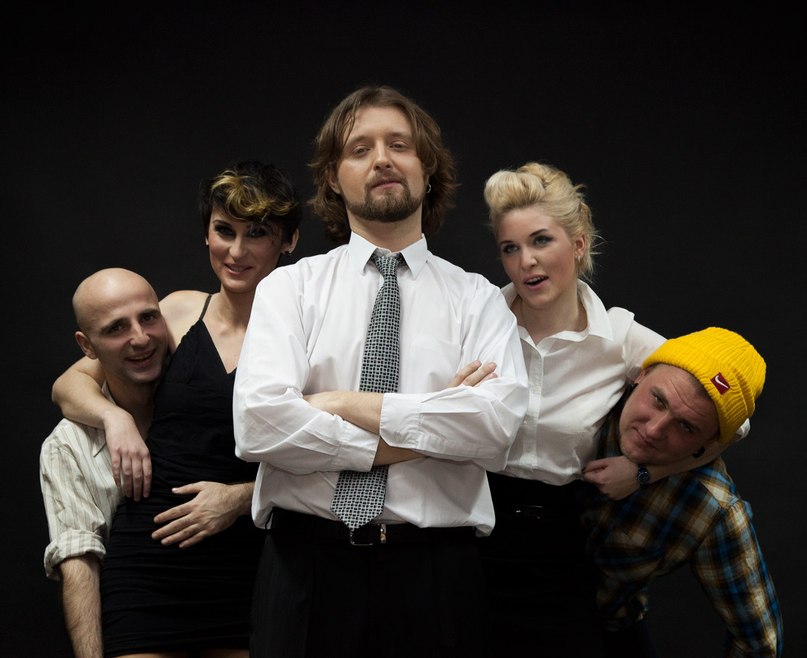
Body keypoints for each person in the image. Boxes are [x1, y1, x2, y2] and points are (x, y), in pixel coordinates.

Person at [232, 85, 529, 658]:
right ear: (333, 177)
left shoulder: (478, 299)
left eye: (400, 145)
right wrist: (430, 430)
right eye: (360, 149)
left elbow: (494, 429)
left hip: (437, 575)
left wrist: (338, 403)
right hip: (304, 567)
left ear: (428, 168)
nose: (382, 160)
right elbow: (259, 425)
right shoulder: (289, 288)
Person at [478, 161, 736, 655]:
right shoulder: (477, 319)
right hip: (467, 537)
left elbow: (732, 423)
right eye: (510, 248)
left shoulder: (620, 337)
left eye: (540, 241)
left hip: (562, 550)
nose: (525, 261)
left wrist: (645, 473)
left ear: (578, 244)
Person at [50, 161, 301, 657]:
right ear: (206, 234)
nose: (236, 251)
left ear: (288, 241)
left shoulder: (307, 333)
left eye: (257, 233)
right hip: (149, 557)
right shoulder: (181, 310)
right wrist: (115, 418)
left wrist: (240, 497)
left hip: (246, 565)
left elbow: (331, 459)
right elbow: (69, 383)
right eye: (224, 230)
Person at [581, 327, 783, 656]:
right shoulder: (586, 397)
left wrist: (645, 474)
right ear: (641, 373)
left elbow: (759, 644)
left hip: (605, 631)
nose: (654, 429)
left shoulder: (710, 507)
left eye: (686, 427)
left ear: (710, 444)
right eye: (658, 400)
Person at [40, 268, 170, 658]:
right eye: (116, 328)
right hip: (137, 618)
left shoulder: (205, 393)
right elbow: (78, 561)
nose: (141, 338)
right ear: (87, 346)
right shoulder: (68, 445)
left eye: (148, 317)